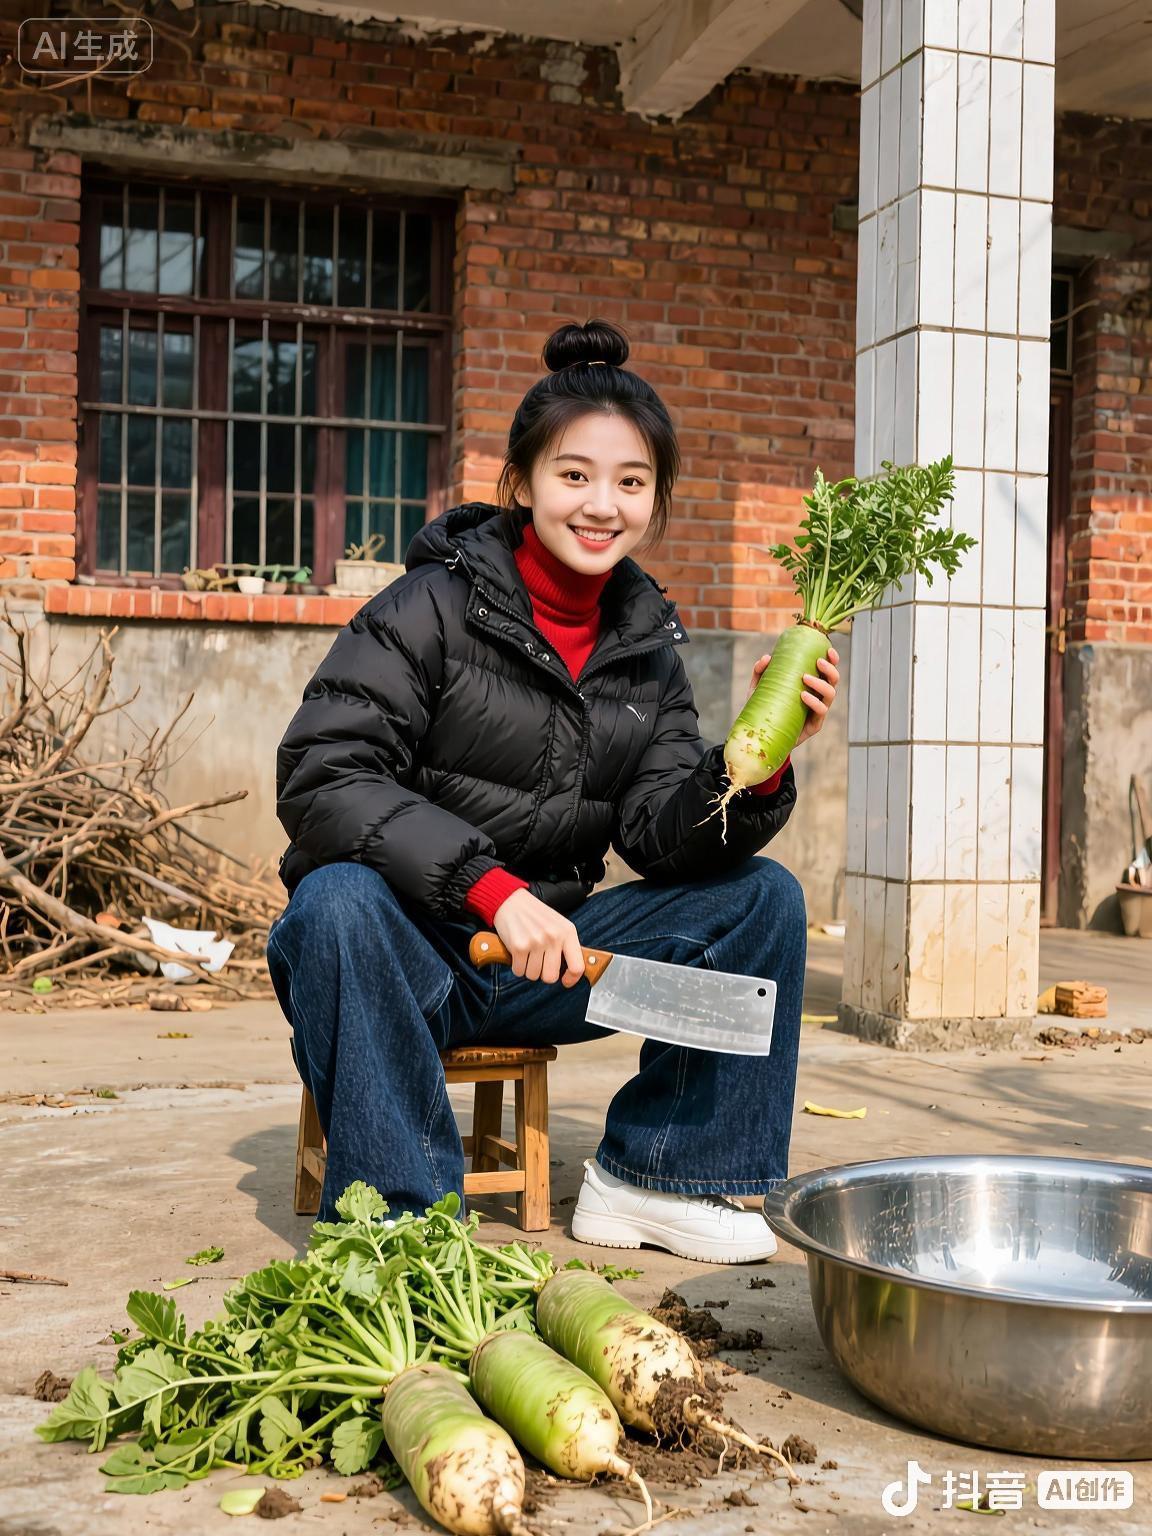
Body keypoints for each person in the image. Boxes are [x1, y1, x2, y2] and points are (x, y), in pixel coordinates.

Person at [268, 319, 839, 1264]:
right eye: (575, 475)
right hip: (404, 959)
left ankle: (655, 1177)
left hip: (552, 965)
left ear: (655, 498)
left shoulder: (648, 651)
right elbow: (322, 775)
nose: (601, 505)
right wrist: (490, 889)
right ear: (524, 482)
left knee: (761, 900)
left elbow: (658, 838)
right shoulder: (427, 607)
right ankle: (402, 1229)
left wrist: (757, 766)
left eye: (631, 482)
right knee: (334, 902)